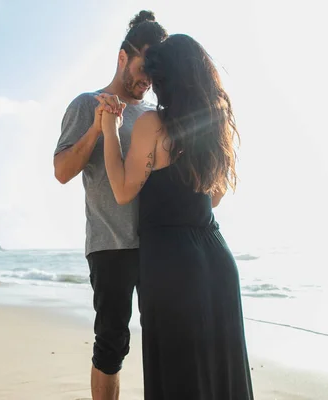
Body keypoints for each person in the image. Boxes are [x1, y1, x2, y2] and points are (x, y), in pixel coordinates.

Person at [96, 34, 254, 399]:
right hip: (217, 260)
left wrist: (109, 128)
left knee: (179, 378)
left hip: (170, 262)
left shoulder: (152, 124)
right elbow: (213, 199)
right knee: (221, 377)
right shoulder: (215, 127)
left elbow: (121, 190)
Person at [53, 10, 168, 400]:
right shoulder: (86, 104)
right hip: (109, 244)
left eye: (153, 73)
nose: (146, 79)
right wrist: (97, 126)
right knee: (112, 345)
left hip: (157, 244)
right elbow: (62, 171)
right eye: (142, 67)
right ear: (123, 57)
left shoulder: (155, 116)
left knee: (162, 341)